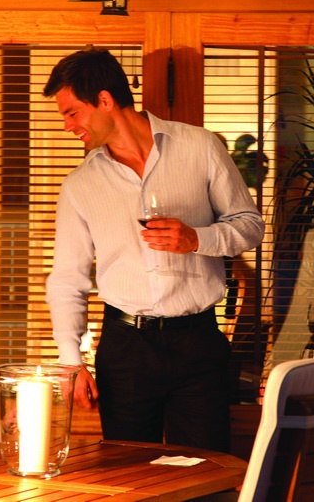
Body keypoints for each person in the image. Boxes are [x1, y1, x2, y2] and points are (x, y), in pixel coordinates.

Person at [43, 49, 265, 452]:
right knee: (128, 473)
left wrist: (197, 239)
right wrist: (71, 361)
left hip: (199, 342)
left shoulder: (200, 147)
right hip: (126, 349)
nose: (67, 126)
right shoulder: (80, 185)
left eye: (72, 113)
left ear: (105, 100)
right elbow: (67, 280)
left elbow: (250, 225)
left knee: (205, 469)